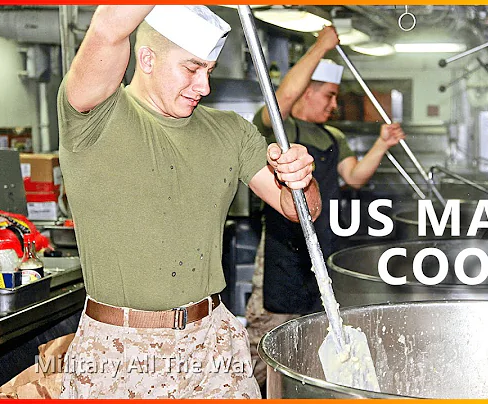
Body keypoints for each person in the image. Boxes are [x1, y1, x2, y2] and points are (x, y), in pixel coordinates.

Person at [56, 5, 320, 399]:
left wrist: (302, 179)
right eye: (192, 69)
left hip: (213, 345)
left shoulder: (230, 131)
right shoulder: (94, 115)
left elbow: (300, 210)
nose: (204, 86)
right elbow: (108, 28)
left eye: (209, 71)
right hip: (120, 352)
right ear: (147, 59)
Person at [245, 26, 406, 387]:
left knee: (312, 338)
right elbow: (283, 97)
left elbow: (355, 177)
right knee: (267, 344)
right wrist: (321, 46)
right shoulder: (280, 127)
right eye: (329, 96)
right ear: (307, 91)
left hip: (323, 242)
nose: (334, 106)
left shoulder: (334, 136)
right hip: (281, 251)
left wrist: (382, 144)